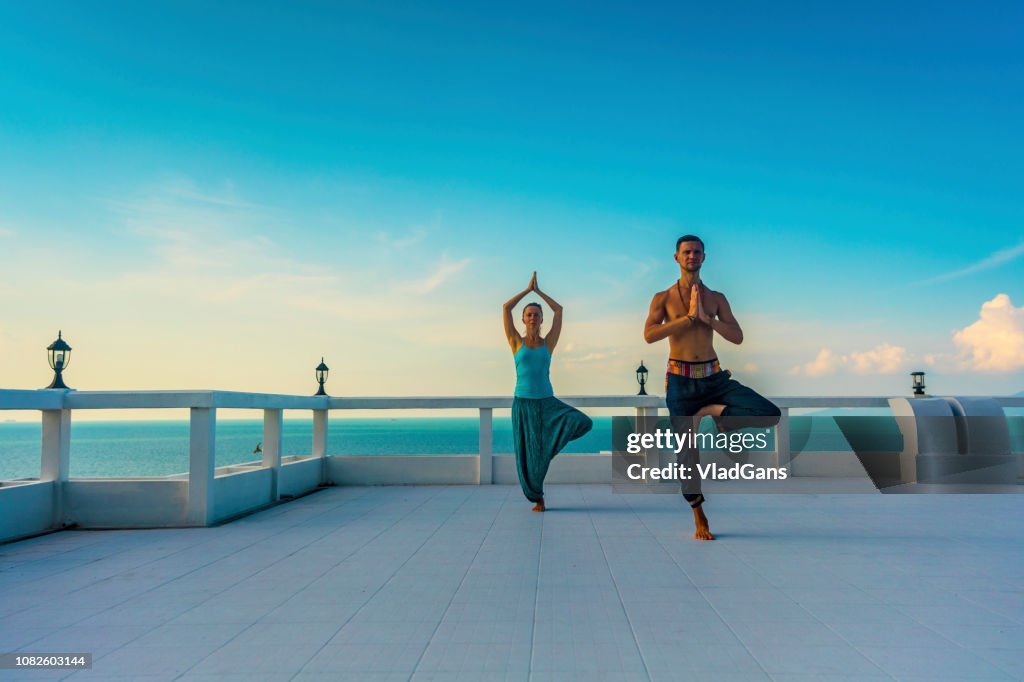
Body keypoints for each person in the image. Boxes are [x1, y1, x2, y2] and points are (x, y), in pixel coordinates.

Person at [644, 235, 780, 540]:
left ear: (704, 257)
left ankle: (718, 414)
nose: (692, 256)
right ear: (676, 258)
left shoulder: (717, 297)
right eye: (686, 252)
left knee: (768, 413)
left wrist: (708, 320)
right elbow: (650, 335)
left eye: (697, 252)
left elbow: (738, 336)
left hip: (714, 378)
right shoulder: (662, 298)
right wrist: (687, 320)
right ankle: (698, 514)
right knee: (687, 453)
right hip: (680, 381)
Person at [503, 272, 593, 511]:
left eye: (536, 315)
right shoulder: (515, 342)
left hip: (547, 402)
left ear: (541, 319)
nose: (532, 317)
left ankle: (549, 449)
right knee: (526, 454)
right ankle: (537, 497)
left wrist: (539, 292)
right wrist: (527, 290)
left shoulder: (548, 343)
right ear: (523, 319)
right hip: (523, 403)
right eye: (529, 314)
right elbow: (505, 308)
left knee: (583, 422)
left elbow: (560, 311)